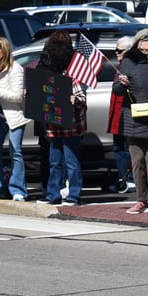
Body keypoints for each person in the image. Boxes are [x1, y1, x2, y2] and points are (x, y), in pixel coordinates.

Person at [116, 27, 148, 215]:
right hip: (133, 120)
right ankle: (140, 200)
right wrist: (121, 84)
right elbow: (116, 90)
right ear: (141, 43)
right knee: (137, 162)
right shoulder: (128, 62)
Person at [38, 31, 86, 206]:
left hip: (71, 126)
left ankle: (74, 195)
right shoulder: (48, 78)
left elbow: (82, 99)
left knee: (71, 162)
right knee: (54, 162)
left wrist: (76, 100)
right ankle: (53, 194)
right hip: (54, 125)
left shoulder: (71, 77)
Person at [0, 36, 29, 201]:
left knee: (15, 152)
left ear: (5, 49)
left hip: (14, 115)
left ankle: (18, 190)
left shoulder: (16, 69)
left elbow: (17, 97)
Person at [106, 37, 135, 192]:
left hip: (127, 114)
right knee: (118, 148)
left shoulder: (131, 67)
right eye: (115, 50)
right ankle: (123, 178)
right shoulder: (121, 66)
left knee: (125, 149)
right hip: (117, 114)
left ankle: (128, 179)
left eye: (119, 51)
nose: (116, 53)